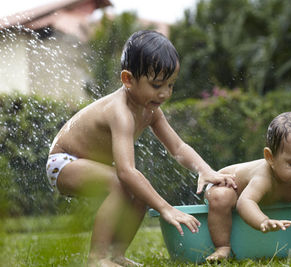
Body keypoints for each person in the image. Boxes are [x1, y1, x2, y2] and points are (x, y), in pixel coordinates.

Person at [46, 30, 236, 267]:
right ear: (128, 79)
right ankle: (96, 258)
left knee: (139, 194)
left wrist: (205, 170)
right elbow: (126, 172)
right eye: (157, 85)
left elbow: (177, 147)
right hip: (63, 163)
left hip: (91, 165)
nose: (165, 93)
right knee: (121, 183)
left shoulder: (151, 110)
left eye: (170, 85)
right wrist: (165, 208)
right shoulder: (120, 112)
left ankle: (116, 254)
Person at [205, 111, 291, 261]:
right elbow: (245, 202)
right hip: (223, 184)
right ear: (270, 158)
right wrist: (263, 221)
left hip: (241, 193)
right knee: (223, 196)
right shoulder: (263, 177)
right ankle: (222, 248)